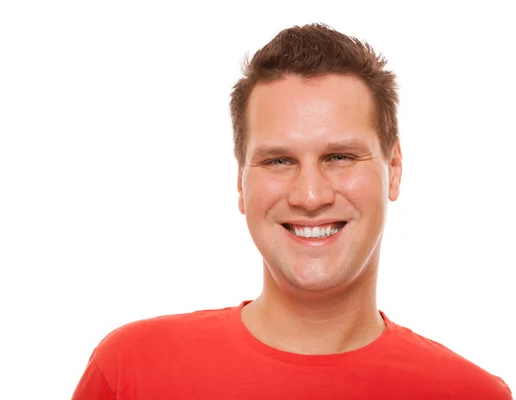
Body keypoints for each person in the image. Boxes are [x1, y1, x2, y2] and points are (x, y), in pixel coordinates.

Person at [71, 23, 512, 399]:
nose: (310, 195)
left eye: (339, 156)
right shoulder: (133, 371)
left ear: (393, 170)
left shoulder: (468, 394)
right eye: (278, 161)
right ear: (241, 182)